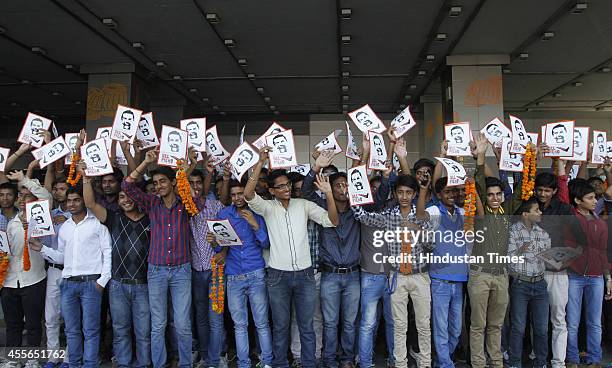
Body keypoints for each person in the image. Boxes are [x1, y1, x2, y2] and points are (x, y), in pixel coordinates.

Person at [244, 147, 339, 368]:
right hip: (278, 276)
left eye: (287, 185)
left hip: (305, 275)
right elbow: (249, 194)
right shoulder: (267, 208)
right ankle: (280, 364)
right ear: (272, 190)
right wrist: (260, 163)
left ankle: (308, 364)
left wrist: (329, 194)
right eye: (281, 186)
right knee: (280, 326)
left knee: (307, 326)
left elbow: (332, 221)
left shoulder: (303, 205)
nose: (286, 189)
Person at [121, 149, 198, 368]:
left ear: (173, 183)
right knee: (158, 324)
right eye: (155, 183)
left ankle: (185, 364)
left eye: (163, 181)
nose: (158, 186)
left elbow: (198, 205)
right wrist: (145, 162)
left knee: (182, 324)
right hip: (156, 270)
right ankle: (159, 364)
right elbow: (127, 187)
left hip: (182, 270)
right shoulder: (151, 203)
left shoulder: (185, 204)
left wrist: (185, 171)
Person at [352, 175, 433, 368]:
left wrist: (417, 229)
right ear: (395, 194)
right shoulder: (389, 216)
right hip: (397, 276)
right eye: (400, 192)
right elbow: (362, 216)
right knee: (399, 325)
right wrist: (353, 191)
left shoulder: (423, 215)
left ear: (414, 194)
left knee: (423, 325)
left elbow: (431, 244)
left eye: (408, 192)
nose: (404, 196)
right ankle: (400, 364)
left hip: (420, 276)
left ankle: (425, 364)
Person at [32, 185, 112, 368]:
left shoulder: (97, 224)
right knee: (71, 330)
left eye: (76, 200)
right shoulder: (65, 228)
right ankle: (75, 364)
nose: (72, 204)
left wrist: (102, 281)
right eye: (69, 201)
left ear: (84, 201)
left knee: (90, 330)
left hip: (91, 283)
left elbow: (108, 253)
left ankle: (90, 364)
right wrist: (42, 249)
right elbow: (62, 256)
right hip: (68, 284)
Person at [81, 164, 152, 368]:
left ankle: (144, 363)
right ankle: (123, 363)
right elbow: (90, 202)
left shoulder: (150, 219)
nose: (126, 200)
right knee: (120, 330)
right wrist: (86, 177)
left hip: (143, 285)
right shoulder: (112, 219)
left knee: (143, 331)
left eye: (129, 196)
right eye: (121, 197)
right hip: (118, 285)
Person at [302, 152, 360, 368]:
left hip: (354, 275)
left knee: (350, 323)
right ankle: (329, 360)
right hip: (330, 275)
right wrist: (316, 168)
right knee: (330, 323)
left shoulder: (358, 209)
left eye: (346, 185)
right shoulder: (322, 207)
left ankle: (346, 359)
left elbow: (380, 195)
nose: (343, 189)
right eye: (338, 186)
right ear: (330, 188)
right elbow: (306, 191)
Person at [208, 179, 273, 368]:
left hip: (256, 272)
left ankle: (266, 362)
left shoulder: (257, 213)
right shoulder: (223, 214)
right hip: (234, 274)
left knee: (261, 322)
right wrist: (213, 241)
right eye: (234, 194)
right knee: (240, 325)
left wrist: (254, 224)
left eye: (240, 194)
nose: (237, 198)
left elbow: (266, 244)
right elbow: (219, 247)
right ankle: (244, 364)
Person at [470, 133, 522, 368]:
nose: (493, 198)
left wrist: (527, 157)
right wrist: (481, 156)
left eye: (497, 194)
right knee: (478, 324)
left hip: (501, 275)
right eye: (490, 195)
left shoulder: (508, 210)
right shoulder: (481, 213)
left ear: (502, 196)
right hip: (480, 274)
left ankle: (497, 362)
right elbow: (479, 184)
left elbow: (522, 191)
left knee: (496, 324)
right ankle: (479, 363)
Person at [422, 176, 480, 368]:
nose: (452, 195)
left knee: (455, 329)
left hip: (460, 278)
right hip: (439, 279)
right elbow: (419, 218)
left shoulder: (463, 212)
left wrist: (472, 188)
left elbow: (480, 217)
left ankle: (442, 360)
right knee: (441, 327)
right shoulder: (433, 211)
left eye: (455, 191)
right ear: (439, 195)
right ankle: (446, 364)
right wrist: (423, 190)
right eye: (447, 191)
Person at [1, 170, 51, 355]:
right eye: (20, 196)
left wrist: (23, 179)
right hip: (10, 281)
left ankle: (32, 358)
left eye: (27, 196)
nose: (22, 200)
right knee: (13, 325)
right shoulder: (11, 223)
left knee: (32, 324)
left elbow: (45, 196)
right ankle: (12, 358)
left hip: (34, 279)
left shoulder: (40, 218)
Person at [564, 179, 611, 368]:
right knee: (572, 322)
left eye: (595, 198)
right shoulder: (570, 218)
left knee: (595, 322)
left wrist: (608, 277)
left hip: (596, 277)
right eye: (590, 198)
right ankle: (572, 358)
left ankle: (595, 359)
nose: (594, 201)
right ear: (577, 200)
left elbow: (602, 252)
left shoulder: (600, 223)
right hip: (574, 276)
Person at [507, 198, 551, 368]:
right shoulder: (513, 232)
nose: (540, 213)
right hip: (520, 283)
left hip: (540, 283)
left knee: (541, 328)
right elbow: (509, 259)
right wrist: (521, 250)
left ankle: (541, 363)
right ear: (525, 214)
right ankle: (515, 363)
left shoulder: (543, 233)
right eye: (536, 210)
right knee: (518, 327)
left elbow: (547, 258)